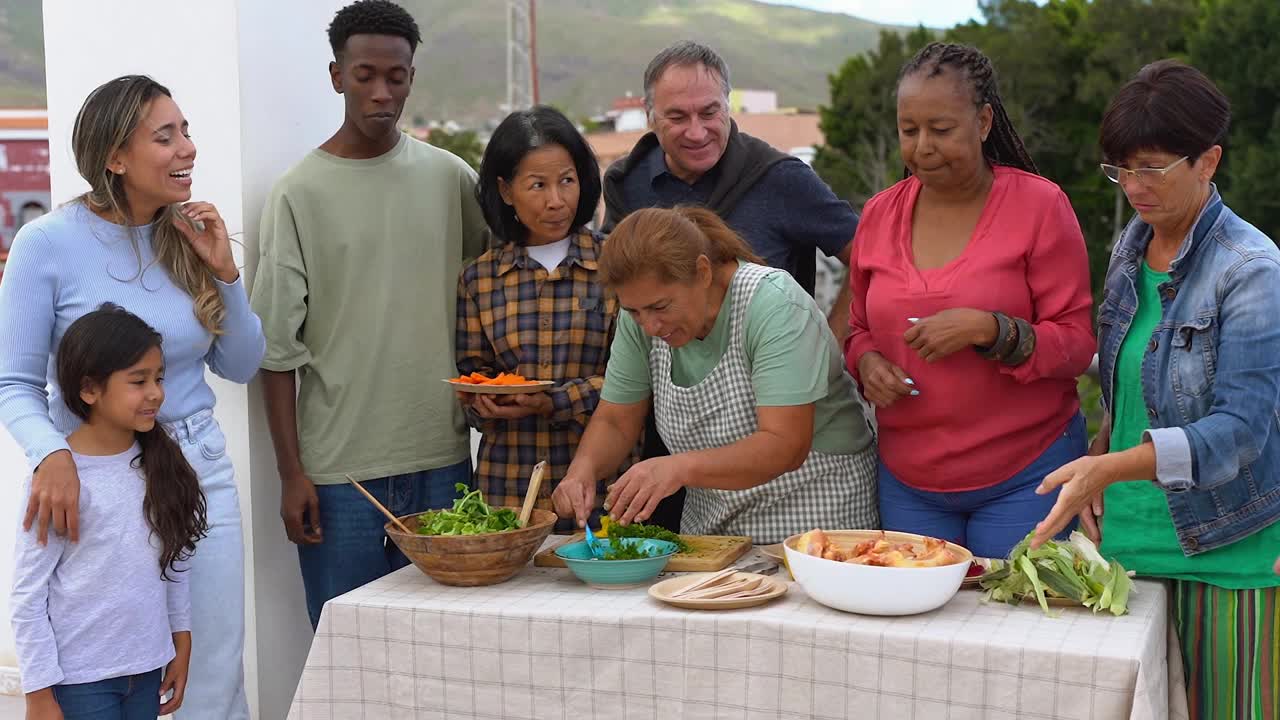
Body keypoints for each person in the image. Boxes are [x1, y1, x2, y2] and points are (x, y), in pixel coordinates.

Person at [0, 75, 265, 719]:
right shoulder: (48, 246)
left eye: (187, 132)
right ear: (116, 158)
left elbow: (241, 363)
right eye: (165, 136)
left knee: (210, 670)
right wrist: (50, 457)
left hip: (197, 471)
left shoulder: (190, 234)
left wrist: (226, 274)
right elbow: (13, 381)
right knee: (112, 669)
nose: (188, 149)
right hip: (99, 487)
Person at [1033, 60, 1280, 720]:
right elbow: (1134, 386)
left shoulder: (1251, 270)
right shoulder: (1129, 247)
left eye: (1152, 167)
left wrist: (1113, 466)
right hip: (1129, 546)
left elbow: (1243, 431)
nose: (1134, 186)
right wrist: (1102, 463)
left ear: (1209, 160)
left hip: (1225, 546)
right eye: (1120, 169)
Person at [251, 0, 489, 630]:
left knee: (450, 648)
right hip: (337, 477)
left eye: (397, 76)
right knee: (346, 655)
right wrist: (292, 474)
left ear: (412, 76)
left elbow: (494, 295)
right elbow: (274, 353)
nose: (382, 92)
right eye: (365, 76)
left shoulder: (451, 180)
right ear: (337, 76)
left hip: (444, 461)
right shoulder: (299, 194)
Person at [844, 42, 1095, 560]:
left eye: (941, 130)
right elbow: (857, 328)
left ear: (983, 123)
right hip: (909, 482)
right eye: (908, 130)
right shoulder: (877, 215)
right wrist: (866, 362)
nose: (922, 147)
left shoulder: (1041, 207)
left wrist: (993, 330)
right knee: (919, 636)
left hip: (1027, 476)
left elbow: (1076, 344)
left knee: (1015, 631)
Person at [601, 40, 861, 529]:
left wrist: (835, 340)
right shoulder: (625, 183)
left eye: (710, 112)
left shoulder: (781, 179)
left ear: (729, 104)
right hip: (683, 444)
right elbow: (631, 299)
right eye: (677, 117)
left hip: (790, 444)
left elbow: (866, 254)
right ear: (649, 115)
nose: (697, 131)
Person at [551, 206, 877, 544]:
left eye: (661, 307)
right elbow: (617, 419)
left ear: (703, 272)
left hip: (819, 521)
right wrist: (582, 471)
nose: (649, 325)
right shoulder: (642, 321)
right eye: (634, 311)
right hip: (716, 532)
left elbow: (785, 445)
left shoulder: (773, 304)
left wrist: (678, 468)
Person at [10, 306, 205, 719]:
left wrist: (180, 638)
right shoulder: (56, 482)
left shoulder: (163, 467)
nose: (155, 393)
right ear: (89, 390)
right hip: (79, 681)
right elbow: (28, 596)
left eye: (158, 378)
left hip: (148, 668)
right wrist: (38, 693)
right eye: (138, 381)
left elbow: (175, 563)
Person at [457, 106, 630, 527]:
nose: (557, 201)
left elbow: (635, 382)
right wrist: (485, 402)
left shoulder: (619, 265)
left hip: (605, 492)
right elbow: (471, 375)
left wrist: (552, 400)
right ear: (505, 190)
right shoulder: (479, 279)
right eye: (538, 185)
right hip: (507, 492)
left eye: (567, 181)